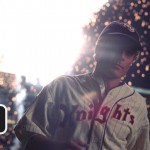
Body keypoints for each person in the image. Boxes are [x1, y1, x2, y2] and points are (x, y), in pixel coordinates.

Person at [14, 21, 150, 150]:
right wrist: (56, 146)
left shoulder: (138, 104)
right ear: (99, 48)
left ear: (133, 59)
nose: (122, 56)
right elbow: (25, 131)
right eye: (117, 47)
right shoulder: (62, 85)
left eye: (129, 52)